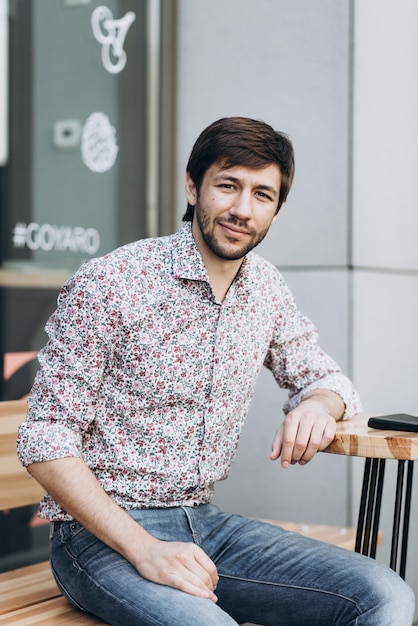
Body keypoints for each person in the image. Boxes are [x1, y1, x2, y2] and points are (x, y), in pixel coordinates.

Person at [17, 117, 414, 625]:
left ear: (277, 208)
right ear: (193, 185)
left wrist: (318, 403)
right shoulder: (113, 282)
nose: (242, 210)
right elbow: (45, 439)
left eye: (262, 194)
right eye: (228, 185)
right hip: (99, 539)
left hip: (206, 524)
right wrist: (145, 549)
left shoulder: (265, 289)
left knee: (384, 595)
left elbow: (326, 379)